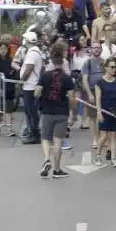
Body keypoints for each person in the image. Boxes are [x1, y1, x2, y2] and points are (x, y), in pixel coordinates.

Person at [35, 43, 77, 179]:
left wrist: (42, 93)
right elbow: (72, 98)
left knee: (45, 138)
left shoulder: (45, 76)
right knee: (58, 140)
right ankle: (57, 169)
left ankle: (47, 159)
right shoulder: (67, 78)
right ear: (63, 59)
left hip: (47, 111)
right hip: (62, 112)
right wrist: (73, 115)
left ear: (52, 60)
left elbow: (36, 93)